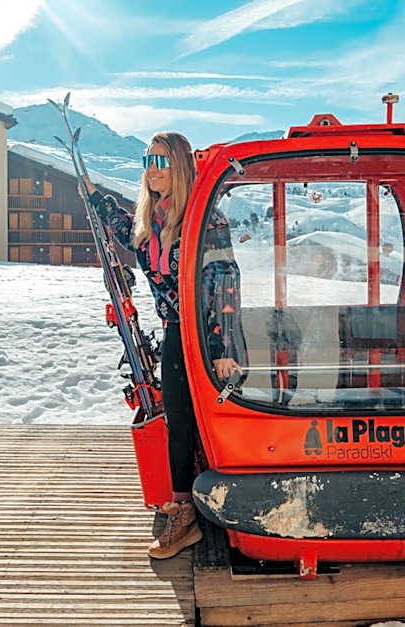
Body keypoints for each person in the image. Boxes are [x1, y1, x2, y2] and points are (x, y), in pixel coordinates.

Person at [82, 132, 242, 559]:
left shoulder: (205, 219)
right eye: (147, 159)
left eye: (163, 161)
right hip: (176, 329)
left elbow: (225, 282)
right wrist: (96, 197)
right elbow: (120, 227)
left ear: (181, 167)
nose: (153, 169)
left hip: (208, 336)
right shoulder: (149, 220)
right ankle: (184, 510)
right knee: (177, 418)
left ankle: (213, 503)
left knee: (205, 419)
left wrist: (223, 346)